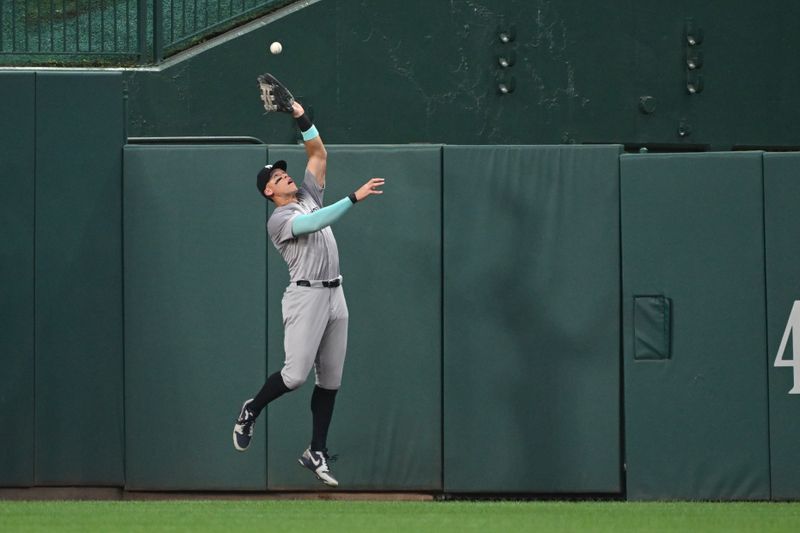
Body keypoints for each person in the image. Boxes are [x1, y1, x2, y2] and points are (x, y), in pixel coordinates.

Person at [233, 98, 384, 488]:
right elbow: (316, 222)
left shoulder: (306, 194)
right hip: (305, 297)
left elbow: (317, 153)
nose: (286, 176)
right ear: (269, 190)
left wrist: (299, 114)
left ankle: (316, 449)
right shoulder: (281, 219)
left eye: (285, 172)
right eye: (278, 176)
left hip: (336, 294)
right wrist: (353, 197)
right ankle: (252, 408)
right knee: (296, 376)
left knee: (330, 379)